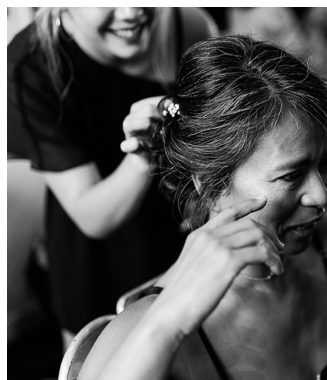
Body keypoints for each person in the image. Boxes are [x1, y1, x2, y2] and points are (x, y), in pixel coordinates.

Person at [75, 35, 327, 380]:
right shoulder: (145, 324)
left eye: (326, 160)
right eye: (291, 175)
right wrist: (170, 320)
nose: (320, 195)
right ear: (209, 180)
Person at [7, 8, 216, 344]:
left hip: (185, 228)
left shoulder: (188, 26)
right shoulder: (30, 65)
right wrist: (142, 155)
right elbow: (93, 215)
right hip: (98, 257)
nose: (133, 11)